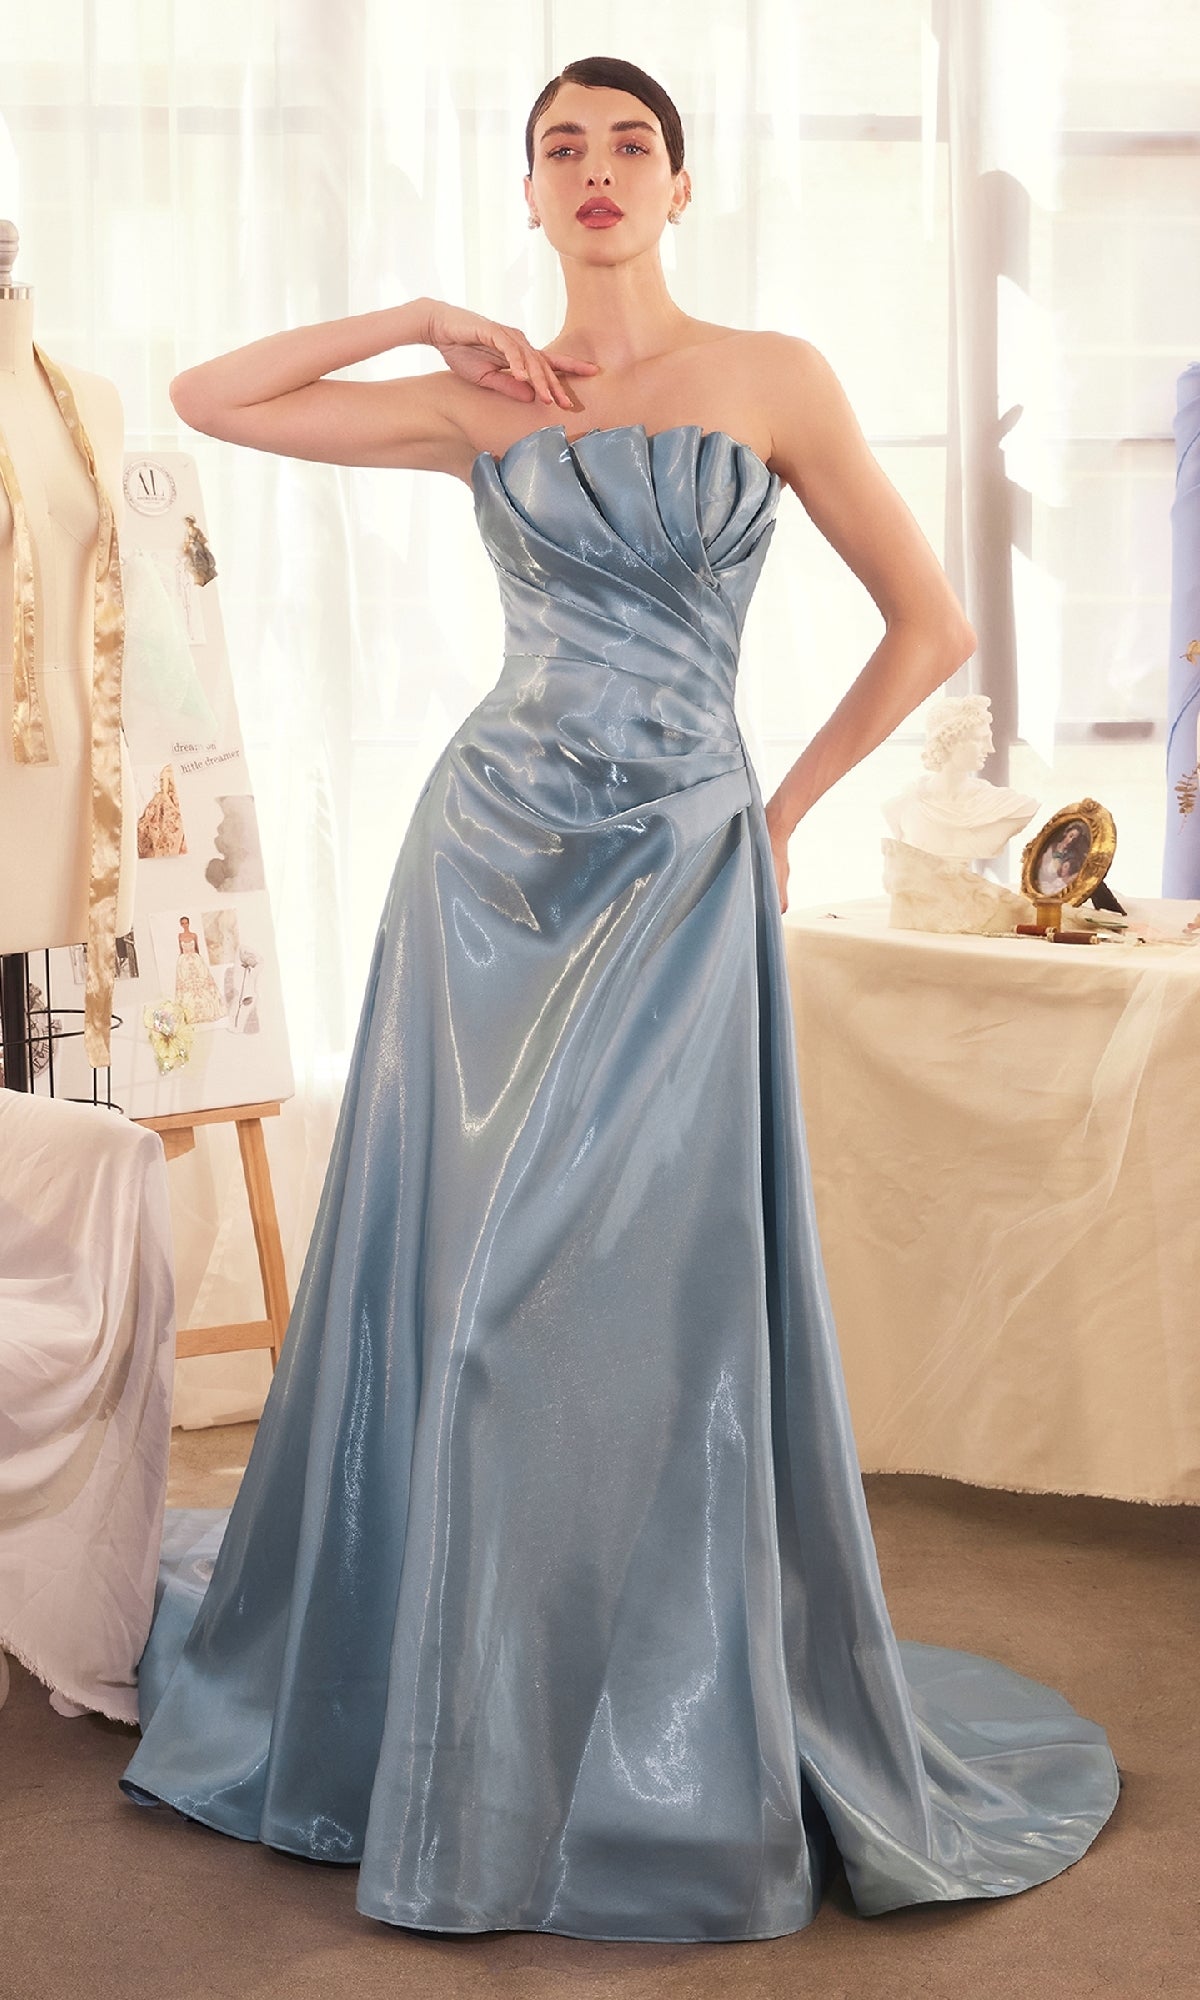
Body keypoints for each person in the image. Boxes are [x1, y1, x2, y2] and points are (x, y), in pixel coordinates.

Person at [120, 56, 1119, 1941]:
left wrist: (785, 809)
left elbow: (935, 621)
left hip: (682, 868)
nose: (597, 172)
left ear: (680, 182)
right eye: (560, 148)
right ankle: (462, 1732)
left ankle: (635, 1740)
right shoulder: (478, 400)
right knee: (466, 1292)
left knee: (609, 1307)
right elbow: (208, 396)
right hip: (487, 872)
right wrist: (424, 322)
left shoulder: (774, 377)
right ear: (527, 193)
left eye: (628, 145)